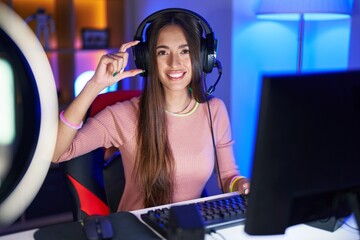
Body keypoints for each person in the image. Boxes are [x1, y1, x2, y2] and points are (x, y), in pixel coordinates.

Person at [52, 9, 250, 211]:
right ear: (147, 60)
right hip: (137, 229)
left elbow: (228, 176)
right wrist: (95, 85)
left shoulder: (214, 110)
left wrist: (241, 184)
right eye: (162, 52)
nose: (175, 63)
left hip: (190, 227)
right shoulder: (124, 116)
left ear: (202, 56)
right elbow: (57, 153)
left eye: (185, 51)